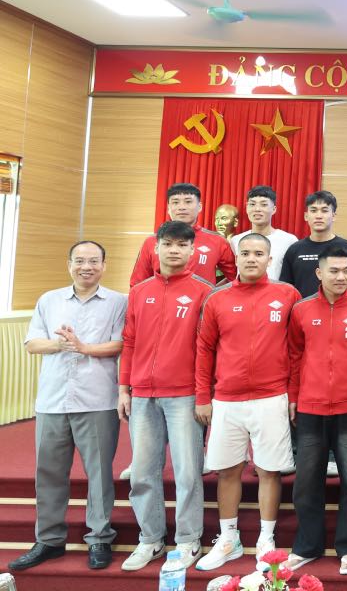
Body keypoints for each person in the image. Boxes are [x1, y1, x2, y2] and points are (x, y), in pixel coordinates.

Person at [8, 241, 127, 573]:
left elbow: (120, 344)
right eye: (79, 260)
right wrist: (60, 344)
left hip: (97, 400)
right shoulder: (49, 299)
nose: (85, 266)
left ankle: (100, 537)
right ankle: (48, 539)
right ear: (69, 264)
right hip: (52, 400)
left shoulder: (118, 301)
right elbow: (32, 343)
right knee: (48, 473)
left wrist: (83, 347)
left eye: (92, 261)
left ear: (104, 265)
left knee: (99, 473)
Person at [194, 233, 302, 572]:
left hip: (272, 398)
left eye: (259, 253)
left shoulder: (287, 295)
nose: (251, 258)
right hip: (226, 399)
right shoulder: (217, 298)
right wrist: (202, 397)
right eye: (245, 253)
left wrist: (293, 396)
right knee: (227, 471)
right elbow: (204, 350)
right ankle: (229, 539)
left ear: (269, 259)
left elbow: (298, 351)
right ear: (236, 258)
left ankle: (265, 539)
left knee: (270, 471)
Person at [118, 222, 215, 572]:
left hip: (185, 395)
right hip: (142, 394)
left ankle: (189, 540)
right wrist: (123, 388)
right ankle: (151, 540)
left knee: (188, 473)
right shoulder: (140, 290)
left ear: (192, 251)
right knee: (143, 472)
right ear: (155, 248)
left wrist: (204, 394)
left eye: (181, 245)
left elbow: (208, 349)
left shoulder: (206, 291)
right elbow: (129, 342)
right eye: (167, 244)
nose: (174, 250)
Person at [283, 245, 347, 575]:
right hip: (310, 406)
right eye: (334, 271)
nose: (341, 277)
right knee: (307, 481)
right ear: (319, 273)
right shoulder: (301, 310)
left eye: (346, 271)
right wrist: (293, 395)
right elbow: (294, 356)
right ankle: (307, 545)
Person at [130, 183, 236, 286]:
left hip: (203, 303)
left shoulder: (218, 241)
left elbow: (236, 278)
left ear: (200, 206)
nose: (182, 207)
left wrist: (214, 293)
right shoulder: (151, 241)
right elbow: (137, 283)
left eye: (188, 202)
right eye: (175, 202)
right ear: (168, 208)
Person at [280, 190, 347, 299]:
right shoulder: (295, 249)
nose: (318, 216)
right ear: (306, 216)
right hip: (302, 311)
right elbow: (287, 287)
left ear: (333, 216)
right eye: (313, 210)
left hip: (338, 311)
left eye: (324, 211)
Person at [229, 185, 298, 281]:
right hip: (242, 294)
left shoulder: (289, 240)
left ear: (274, 209)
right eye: (252, 204)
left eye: (263, 204)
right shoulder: (235, 240)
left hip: (275, 294)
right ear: (246, 208)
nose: (257, 209)